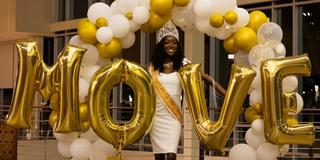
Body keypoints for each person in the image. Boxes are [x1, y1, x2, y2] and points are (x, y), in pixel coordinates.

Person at [148, 21, 226, 160]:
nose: (171, 46)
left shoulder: (183, 64)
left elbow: (205, 77)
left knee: (172, 154)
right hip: (156, 116)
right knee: (159, 157)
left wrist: (227, 95)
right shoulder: (153, 67)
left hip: (174, 116)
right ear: (161, 45)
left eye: (174, 43)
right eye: (167, 42)